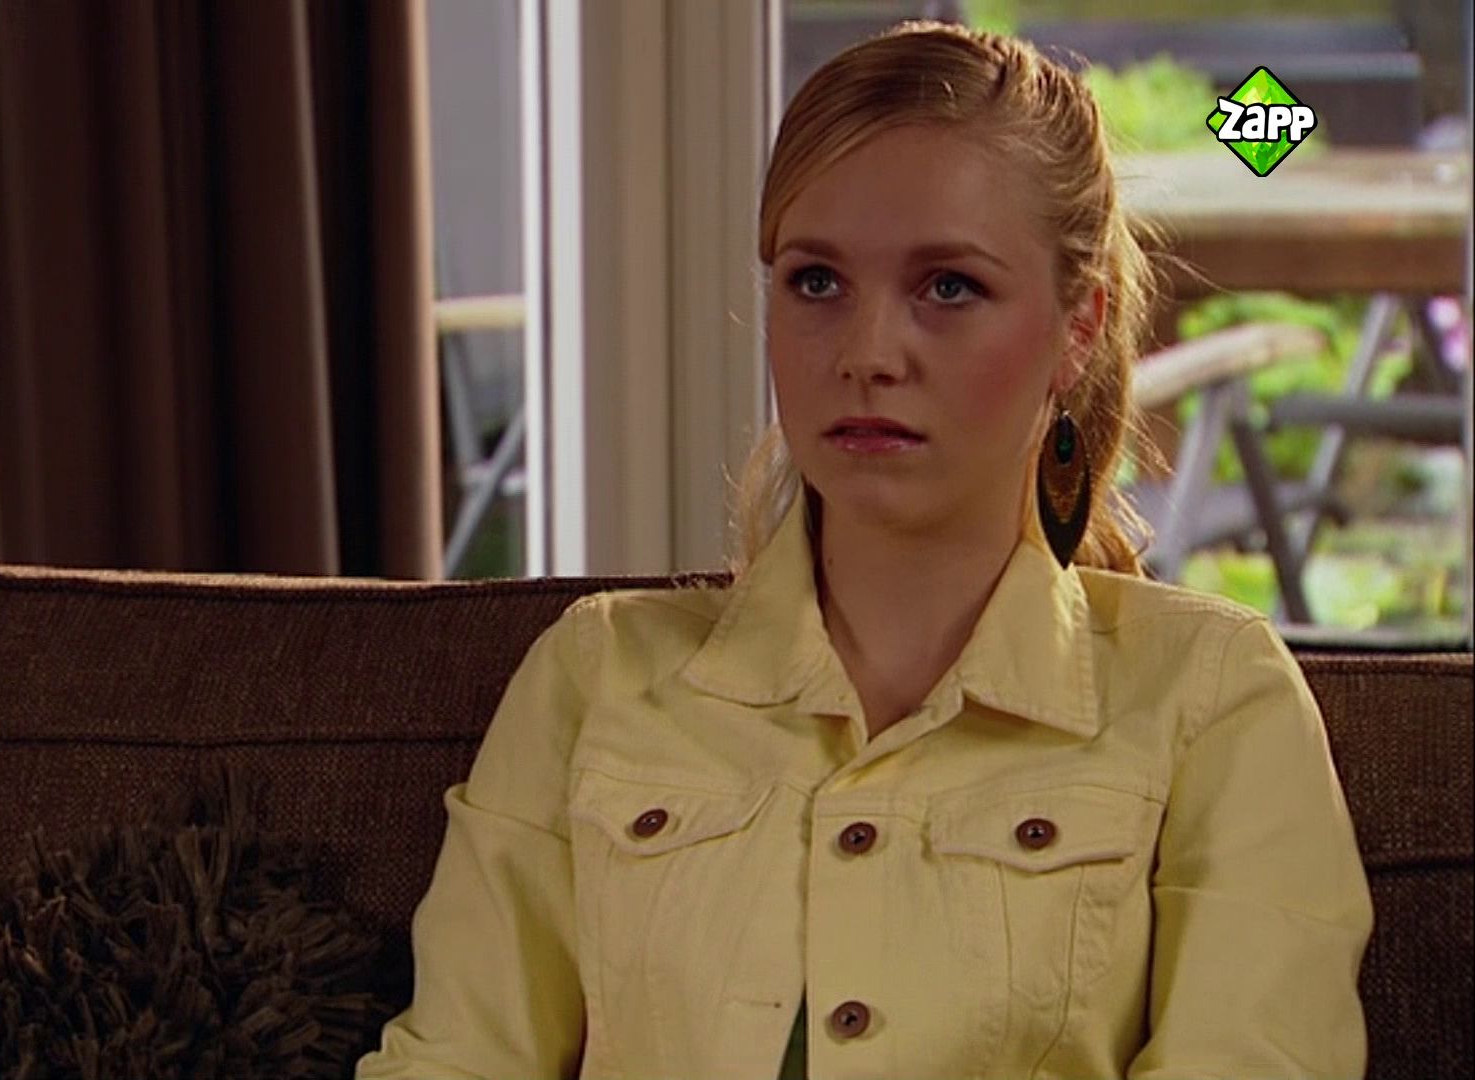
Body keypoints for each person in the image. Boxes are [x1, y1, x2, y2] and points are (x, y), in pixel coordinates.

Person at [354, 20, 1372, 1080]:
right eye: (817, 283)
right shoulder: (598, 674)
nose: (867, 354)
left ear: (1078, 327)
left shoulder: (1213, 698)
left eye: (949, 287)